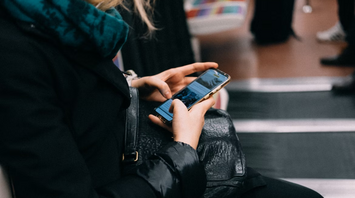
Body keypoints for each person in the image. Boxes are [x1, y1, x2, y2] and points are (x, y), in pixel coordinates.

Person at [0, 0, 323, 198]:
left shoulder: (59, 20)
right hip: (140, 177)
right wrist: (183, 149)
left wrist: (134, 88)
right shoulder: (18, 52)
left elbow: (66, 99)